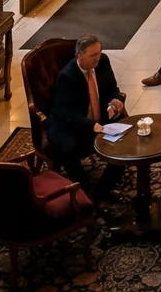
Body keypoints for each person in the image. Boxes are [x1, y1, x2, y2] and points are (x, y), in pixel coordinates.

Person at [47, 33, 126, 185]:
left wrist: (116, 99)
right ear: (79, 56)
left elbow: (112, 87)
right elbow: (65, 112)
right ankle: (83, 187)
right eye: (92, 55)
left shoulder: (103, 61)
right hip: (72, 125)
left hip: (100, 120)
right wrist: (92, 126)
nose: (97, 58)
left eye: (99, 53)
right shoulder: (67, 77)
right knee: (67, 150)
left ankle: (103, 188)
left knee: (124, 145)